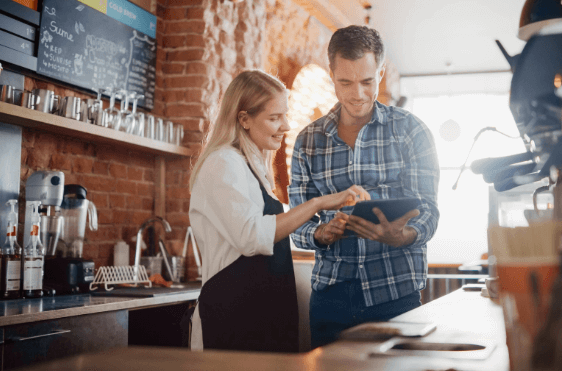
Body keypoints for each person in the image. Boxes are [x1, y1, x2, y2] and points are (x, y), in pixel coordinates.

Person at [188, 70, 370, 352]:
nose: (285, 125)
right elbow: (252, 237)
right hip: (232, 319)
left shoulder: (253, 166)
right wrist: (319, 203)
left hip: (262, 314)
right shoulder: (223, 163)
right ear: (244, 119)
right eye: (274, 118)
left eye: (284, 115)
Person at [288, 25, 441, 348]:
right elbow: (297, 221)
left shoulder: (411, 131)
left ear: (380, 72)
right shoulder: (308, 142)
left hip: (396, 295)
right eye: (345, 82)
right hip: (330, 299)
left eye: (367, 81)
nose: (357, 93)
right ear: (331, 74)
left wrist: (404, 235)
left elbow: (428, 210)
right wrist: (319, 233)